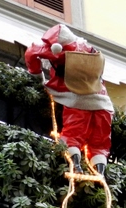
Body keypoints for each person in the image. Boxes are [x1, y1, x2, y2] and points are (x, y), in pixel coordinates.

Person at [25, 24, 113, 176]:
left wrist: (37, 76)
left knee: (72, 136)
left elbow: (31, 53)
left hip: (77, 99)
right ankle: (100, 173)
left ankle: (76, 166)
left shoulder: (58, 52)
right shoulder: (89, 49)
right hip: (103, 102)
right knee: (99, 142)